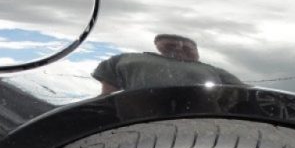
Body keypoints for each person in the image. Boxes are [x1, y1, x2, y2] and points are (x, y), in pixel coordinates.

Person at [92, 34, 243, 95]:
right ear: (158, 45)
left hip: (203, 119)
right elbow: (106, 96)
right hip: (137, 119)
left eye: (187, 47)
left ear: (196, 52)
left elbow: (243, 92)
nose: (179, 48)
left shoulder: (211, 69)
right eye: (172, 45)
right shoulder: (126, 59)